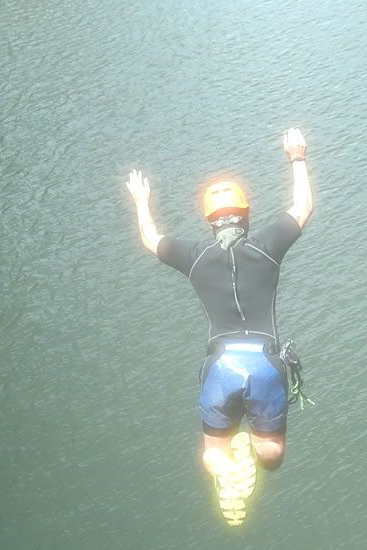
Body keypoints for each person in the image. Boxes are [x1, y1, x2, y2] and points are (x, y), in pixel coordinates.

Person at [125, 128, 314, 525]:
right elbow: (303, 207)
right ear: (246, 215)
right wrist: (297, 156)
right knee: (272, 455)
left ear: (208, 221)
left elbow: (149, 237)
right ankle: (258, 458)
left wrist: (141, 200)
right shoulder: (267, 247)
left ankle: (223, 469)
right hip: (264, 364)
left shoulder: (194, 258)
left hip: (221, 366)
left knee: (213, 449)